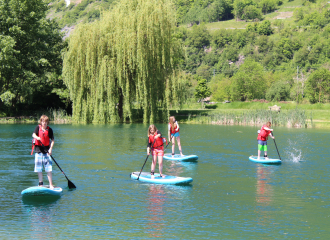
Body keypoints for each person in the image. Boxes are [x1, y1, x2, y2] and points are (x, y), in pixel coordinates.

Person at [31, 115, 55, 189]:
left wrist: (50, 149)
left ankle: (51, 185)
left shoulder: (50, 130)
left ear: (47, 122)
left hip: (47, 152)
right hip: (38, 151)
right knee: (39, 169)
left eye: (45, 122)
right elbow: (33, 134)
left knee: (49, 169)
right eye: (43, 122)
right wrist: (37, 137)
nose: (44, 123)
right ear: (41, 122)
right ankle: (41, 184)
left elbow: (52, 140)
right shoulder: (38, 128)